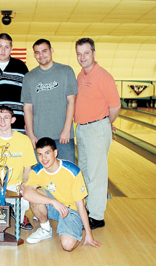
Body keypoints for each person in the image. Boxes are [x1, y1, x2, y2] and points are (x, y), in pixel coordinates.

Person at [24, 137, 102, 251]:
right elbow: (27, 193)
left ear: (55, 153)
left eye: (47, 153)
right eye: (39, 154)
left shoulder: (72, 171)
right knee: (34, 194)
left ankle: (70, 226)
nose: (43, 158)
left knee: (67, 246)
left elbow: (80, 206)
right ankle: (46, 229)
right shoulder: (36, 171)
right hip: (55, 207)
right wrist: (53, 201)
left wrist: (89, 234)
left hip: (72, 211)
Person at [74, 38, 121, 229]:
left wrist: (104, 123)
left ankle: (96, 216)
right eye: (79, 53)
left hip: (96, 129)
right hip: (82, 130)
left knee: (97, 174)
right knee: (84, 173)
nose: (82, 57)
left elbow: (115, 106)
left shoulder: (103, 76)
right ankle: (86, 211)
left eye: (86, 53)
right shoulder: (80, 75)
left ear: (93, 53)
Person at [21, 39, 77, 163]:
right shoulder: (29, 77)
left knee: (66, 175)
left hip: (63, 137)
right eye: (37, 52)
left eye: (44, 51)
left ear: (51, 51)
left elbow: (71, 101)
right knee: (41, 177)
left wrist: (67, 129)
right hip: (39, 138)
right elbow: (27, 108)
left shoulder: (66, 71)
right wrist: (30, 134)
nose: (41, 55)